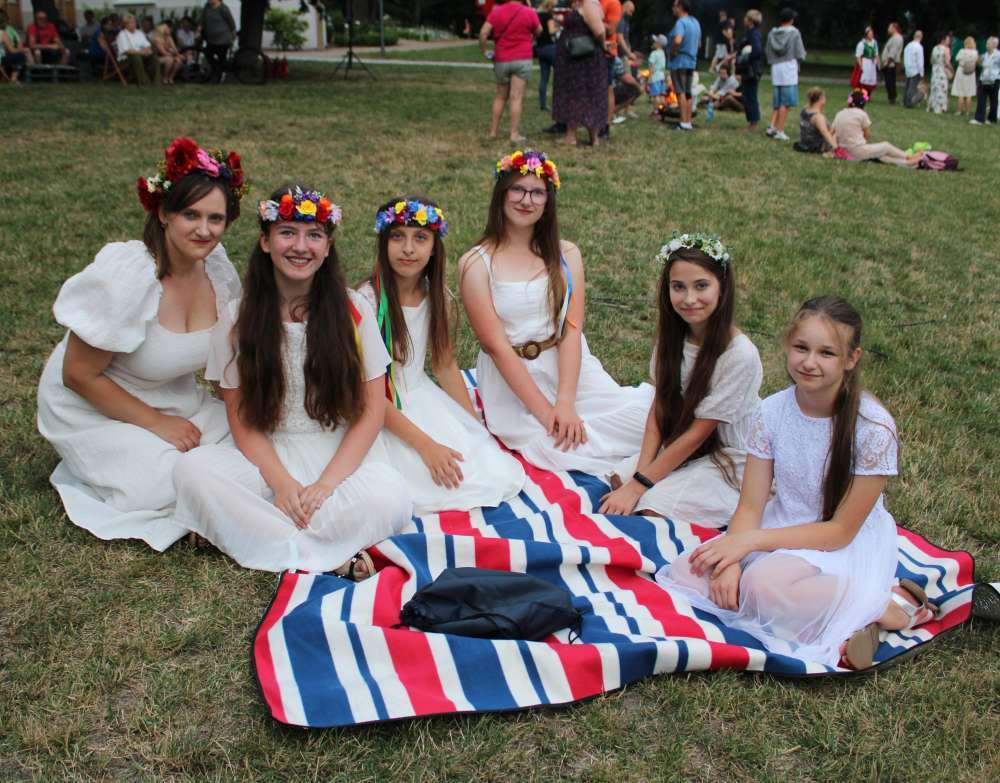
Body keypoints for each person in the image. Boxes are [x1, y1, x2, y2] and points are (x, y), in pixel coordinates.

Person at [659, 296, 937, 670]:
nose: (809, 362)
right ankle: (848, 614)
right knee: (688, 571)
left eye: (826, 353)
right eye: (801, 348)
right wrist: (731, 562)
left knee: (762, 587)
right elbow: (751, 505)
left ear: (851, 359)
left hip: (840, 543)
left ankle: (886, 606)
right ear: (788, 345)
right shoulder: (772, 411)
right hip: (781, 524)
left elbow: (839, 532)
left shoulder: (873, 428)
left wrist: (746, 544)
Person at [172, 186, 413, 575]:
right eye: (287, 233)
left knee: (391, 494)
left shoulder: (353, 310)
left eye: (314, 235)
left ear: (328, 247)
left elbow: (371, 412)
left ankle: (252, 534)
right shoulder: (237, 318)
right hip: (266, 457)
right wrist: (282, 485)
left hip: (337, 455)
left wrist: (327, 485)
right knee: (193, 471)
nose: (301, 246)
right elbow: (241, 418)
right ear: (265, 242)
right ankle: (329, 553)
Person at [36, 138, 248, 551]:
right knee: (166, 484)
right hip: (92, 404)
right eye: (191, 214)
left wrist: (247, 409)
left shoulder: (218, 271)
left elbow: (223, 360)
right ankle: (102, 463)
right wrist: (156, 424)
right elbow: (77, 374)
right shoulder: (130, 275)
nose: (204, 230)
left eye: (216, 218)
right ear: (164, 213)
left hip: (170, 395)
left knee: (252, 442)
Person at [459, 151, 653, 475]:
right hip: (514, 382)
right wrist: (548, 414)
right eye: (517, 189)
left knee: (645, 418)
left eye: (537, 193)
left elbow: (571, 329)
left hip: (569, 366)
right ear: (501, 193)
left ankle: (645, 456)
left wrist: (565, 401)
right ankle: (638, 463)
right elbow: (497, 347)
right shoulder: (476, 263)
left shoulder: (566, 254)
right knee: (556, 447)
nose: (527, 200)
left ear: (548, 201)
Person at [357, 197, 526, 513]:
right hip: (375, 406)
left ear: (434, 247)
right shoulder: (366, 302)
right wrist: (426, 445)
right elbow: (366, 393)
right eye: (398, 237)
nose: (408, 249)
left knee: (477, 467)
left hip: (420, 396)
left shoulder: (437, 298)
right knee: (416, 479)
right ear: (383, 242)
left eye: (420, 238)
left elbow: (445, 364)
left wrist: (473, 426)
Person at [601, 234, 762, 526]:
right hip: (683, 439)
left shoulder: (740, 355)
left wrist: (640, 486)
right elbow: (659, 410)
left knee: (651, 507)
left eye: (701, 286)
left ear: (723, 287)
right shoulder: (673, 338)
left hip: (731, 455)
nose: (689, 299)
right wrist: (638, 476)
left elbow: (699, 433)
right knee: (617, 482)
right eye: (678, 287)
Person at [480, 1, 540, 144]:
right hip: (522, 57)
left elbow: (483, 33)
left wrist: (485, 51)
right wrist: (531, 39)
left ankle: (493, 132)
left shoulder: (496, 11)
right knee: (516, 97)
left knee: (500, 96)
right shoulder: (529, 12)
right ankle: (514, 134)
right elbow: (539, 30)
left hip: (502, 58)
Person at [552, 0, 608, 146]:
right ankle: (588, 137)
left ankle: (577, 137)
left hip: (583, 59)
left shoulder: (589, 4)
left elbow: (599, 31)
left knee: (580, 95)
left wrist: (603, 44)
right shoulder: (583, 4)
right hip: (577, 59)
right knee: (583, 95)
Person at [832, 89, 921, 167]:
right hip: (857, 150)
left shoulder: (840, 113)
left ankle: (906, 163)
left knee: (879, 156)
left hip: (844, 151)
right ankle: (908, 157)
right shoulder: (861, 114)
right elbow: (867, 135)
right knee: (885, 146)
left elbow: (832, 132)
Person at [765, 7, 806, 141]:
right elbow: (800, 52)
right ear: (791, 20)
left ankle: (772, 126)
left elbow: (768, 51)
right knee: (786, 102)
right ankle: (780, 130)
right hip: (788, 67)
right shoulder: (794, 33)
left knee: (777, 100)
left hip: (776, 67)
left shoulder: (772, 33)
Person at [667, 0, 700, 132]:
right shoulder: (695, 22)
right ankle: (688, 122)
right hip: (691, 61)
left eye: (674, 6)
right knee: (688, 92)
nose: (672, 8)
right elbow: (699, 43)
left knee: (680, 91)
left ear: (680, 7)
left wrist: (673, 52)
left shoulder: (681, 22)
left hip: (680, 61)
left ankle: (682, 123)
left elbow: (677, 40)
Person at [733, 9, 764, 131]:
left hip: (752, 70)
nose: (744, 19)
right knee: (747, 96)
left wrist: (745, 59)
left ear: (751, 21)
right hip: (748, 70)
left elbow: (757, 51)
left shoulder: (753, 34)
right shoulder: (749, 33)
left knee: (751, 96)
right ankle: (751, 122)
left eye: (746, 18)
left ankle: (753, 124)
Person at [116, 13, 160, 86]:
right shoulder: (122, 35)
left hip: (140, 54)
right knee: (137, 58)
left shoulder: (139, 33)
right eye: (131, 23)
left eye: (134, 22)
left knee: (154, 57)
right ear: (126, 25)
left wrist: (147, 50)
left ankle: (156, 81)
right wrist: (142, 53)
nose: (134, 24)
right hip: (126, 58)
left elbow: (147, 45)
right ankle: (143, 82)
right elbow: (127, 51)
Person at [201, 0, 236, 84]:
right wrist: (200, 29)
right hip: (211, 38)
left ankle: (220, 75)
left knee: (221, 57)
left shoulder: (223, 8)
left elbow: (231, 22)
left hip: (223, 38)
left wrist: (233, 33)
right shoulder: (207, 7)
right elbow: (203, 19)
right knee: (208, 53)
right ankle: (218, 70)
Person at [794, 87, 837, 154]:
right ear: (821, 98)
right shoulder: (818, 117)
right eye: (824, 97)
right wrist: (836, 148)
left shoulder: (805, 110)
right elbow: (825, 132)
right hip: (816, 147)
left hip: (804, 144)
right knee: (836, 130)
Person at [535, 0, 559, 112]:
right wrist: (558, 28)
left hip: (540, 48)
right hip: (550, 47)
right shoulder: (548, 16)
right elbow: (551, 31)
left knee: (544, 77)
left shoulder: (537, 15)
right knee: (559, 76)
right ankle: (557, 102)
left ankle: (543, 103)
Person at [971, 36, 1000, 125]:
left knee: (993, 100)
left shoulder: (998, 55)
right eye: (987, 43)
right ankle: (979, 118)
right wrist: (978, 60)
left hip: (994, 80)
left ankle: (991, 119)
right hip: (983, 79)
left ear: (994, 45)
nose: (987, 45)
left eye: (988, 43)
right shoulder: (985, 55)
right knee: (981, 99)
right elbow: (980, 64)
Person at [952, 37, 979, 115]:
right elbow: (977, 61)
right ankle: (968, 111)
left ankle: (959, 111)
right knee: (969, 93)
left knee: (960, 92)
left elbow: (957, 59)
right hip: (971, 72)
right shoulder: (975, 52)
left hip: (961, 71)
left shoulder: (962, 51)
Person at [927, 33, 952, 114]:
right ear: (943, 40)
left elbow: (931, 60)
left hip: (935, 70)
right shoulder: (946, 49)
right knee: (942, 88)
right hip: (942, 70)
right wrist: (951, 69)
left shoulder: (935, 48)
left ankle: (932, 105)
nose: (949, 41)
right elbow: (947, 62)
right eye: (948, 40)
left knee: (934, 88)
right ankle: (940, 107)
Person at [0, 11, 29, 82]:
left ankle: (6, 78)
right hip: (1, 59)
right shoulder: (2, 33)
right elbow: (12, 50)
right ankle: (14, 78)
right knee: (20, 56)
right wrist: (21, 50)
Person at [852, 26, 880, 95]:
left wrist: (877, 62)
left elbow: (876, 54)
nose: (871, 35)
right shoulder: (862, 43)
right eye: (870, 34)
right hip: (865, 62)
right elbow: (858, 56)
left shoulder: (874, 43)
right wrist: (861, 66)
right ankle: (861, 94)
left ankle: (868, 94)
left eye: (872, 34)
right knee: (863, 79)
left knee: (871, 79)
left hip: (872, 63)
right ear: (866, 35)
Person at [881, 22, 904, 104]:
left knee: (890, 81)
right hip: (888, 63)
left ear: (894, 28)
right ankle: (891, 97)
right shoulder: (893, 38)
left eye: (889, 28)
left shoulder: (897, 38)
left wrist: (887, 63)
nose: (888, 29)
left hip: (891, 64)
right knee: (889, 81)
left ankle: (892, 98)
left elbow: (893, 52)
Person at [903, 30, 925, 108]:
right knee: (912, 88)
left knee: (907, 86)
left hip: (908, 68)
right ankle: (909, 102)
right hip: (915, 70)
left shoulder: (908, 46)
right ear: (921, 37)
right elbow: (920, 61)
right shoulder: (919, 47)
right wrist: (922, 72)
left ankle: (905, 101)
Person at [648, 33, 669, 114]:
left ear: (658, 44)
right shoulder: (663, 53)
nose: (653, 43)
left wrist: (650, 78)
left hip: (655, 77)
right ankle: (664, 109)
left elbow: (651, 67)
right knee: (662, 95)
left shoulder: (654, 53)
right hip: (661, 77)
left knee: (656, 96)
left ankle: (656, 111)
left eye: (655, 41)